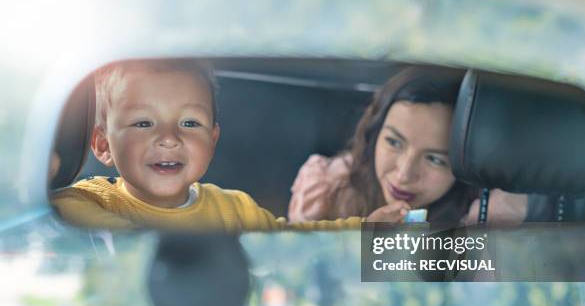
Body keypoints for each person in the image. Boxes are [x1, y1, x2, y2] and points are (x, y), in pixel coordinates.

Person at [51, 59, 409, 231]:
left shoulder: (235, 209)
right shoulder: (96, 200)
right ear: (102, 146)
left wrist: (365, 228)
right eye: (143, 123)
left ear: (212, 140)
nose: (169, 138)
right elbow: (59, 204)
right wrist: (146, 238)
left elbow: (294, 236)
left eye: (190, 123)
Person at [289, 67, 532, 225]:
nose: (404, 174)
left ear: (465, 163)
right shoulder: (328, 187)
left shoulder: (487, 214)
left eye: (435, 159)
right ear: (375, 133)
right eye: (394, 142)